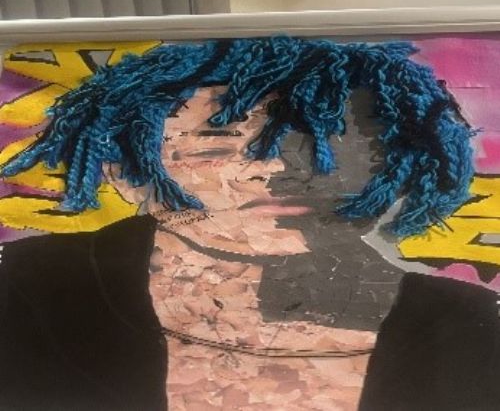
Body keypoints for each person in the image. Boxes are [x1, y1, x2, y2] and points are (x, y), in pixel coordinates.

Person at [0, 36, 495, 410]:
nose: (277, 171)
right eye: (216, 147)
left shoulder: (465, 325)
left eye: (325, 147)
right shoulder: (27, 290)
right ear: (125, 173)